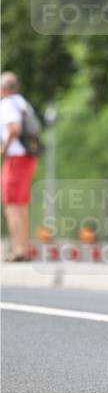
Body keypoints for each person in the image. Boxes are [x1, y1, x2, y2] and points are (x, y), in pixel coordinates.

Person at [1, 71, 39, 261]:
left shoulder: (7, 104)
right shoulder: (23, 102)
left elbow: (14, 128)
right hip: (29, 158)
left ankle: (19, 250)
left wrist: (3, 148)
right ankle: (24, 248)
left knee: (11, 204)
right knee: (21, 204)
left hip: (16, 158)